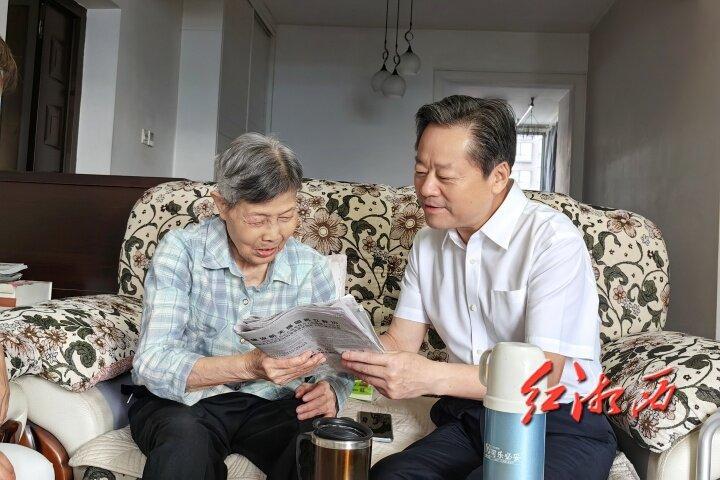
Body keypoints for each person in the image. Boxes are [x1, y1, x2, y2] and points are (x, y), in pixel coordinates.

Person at [342, 95, 617, 480]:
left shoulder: (551, 240)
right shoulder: (428, 242)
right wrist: (332, 349)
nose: (426, 188)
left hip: (557, 421)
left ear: (498, 176)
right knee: (391, 475)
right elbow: (401, 341)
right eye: (420, 170)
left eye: (445, 176)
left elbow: (543, 375)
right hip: (472, 415)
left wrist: (429, 376)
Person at [129, 133, 353, 480]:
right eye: (258, 220)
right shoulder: (182, 251)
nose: (273, 235)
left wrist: (331, 390)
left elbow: (335, 360)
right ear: (222, 205)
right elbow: (152, 363)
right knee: (183, 448)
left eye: (286, 216)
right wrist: (249, 365)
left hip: (275, 403)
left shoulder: (311, 267)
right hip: (185, 403)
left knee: (320, 448)